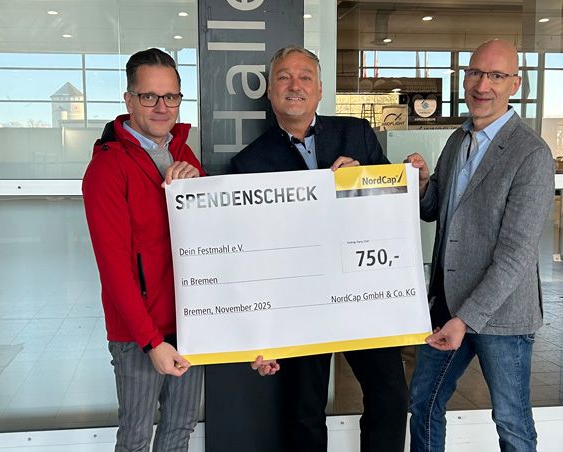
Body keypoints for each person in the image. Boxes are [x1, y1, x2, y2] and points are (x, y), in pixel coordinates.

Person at [230, 45, 409, 452]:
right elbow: (251, 255)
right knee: (303, 410)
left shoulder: (357, 134)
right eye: (284, 77)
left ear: (320, 89)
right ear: (270, 91)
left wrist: (362, 181)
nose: (295, 85)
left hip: (363, 292)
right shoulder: (249, 164)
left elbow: (392, 207)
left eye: (305, 77)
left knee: (391, 395)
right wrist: (260, 330)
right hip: (300, 302)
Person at [406, 39, 555, 451]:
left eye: (496, 75)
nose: (482, 85)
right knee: (423, 402)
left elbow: (516, 255)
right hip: (448, 303)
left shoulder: (531, 154)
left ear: (515, 85)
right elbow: (435, 208)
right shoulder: (458, 139)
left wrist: (467, 318)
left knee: (511, 420)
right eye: (475, 73)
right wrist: (423, 184)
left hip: (501, 315)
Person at [82, 48, 206, 452]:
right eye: (149, 96)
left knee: (180, 428)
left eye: (171, 96)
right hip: (138, 333)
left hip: (188, 324)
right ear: (129, 100)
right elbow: (114, 268)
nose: (161, 107)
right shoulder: (107, 168)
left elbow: (208, 236)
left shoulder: (183, 154)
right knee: (136, 437)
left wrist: (197, 182)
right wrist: (151, 342)